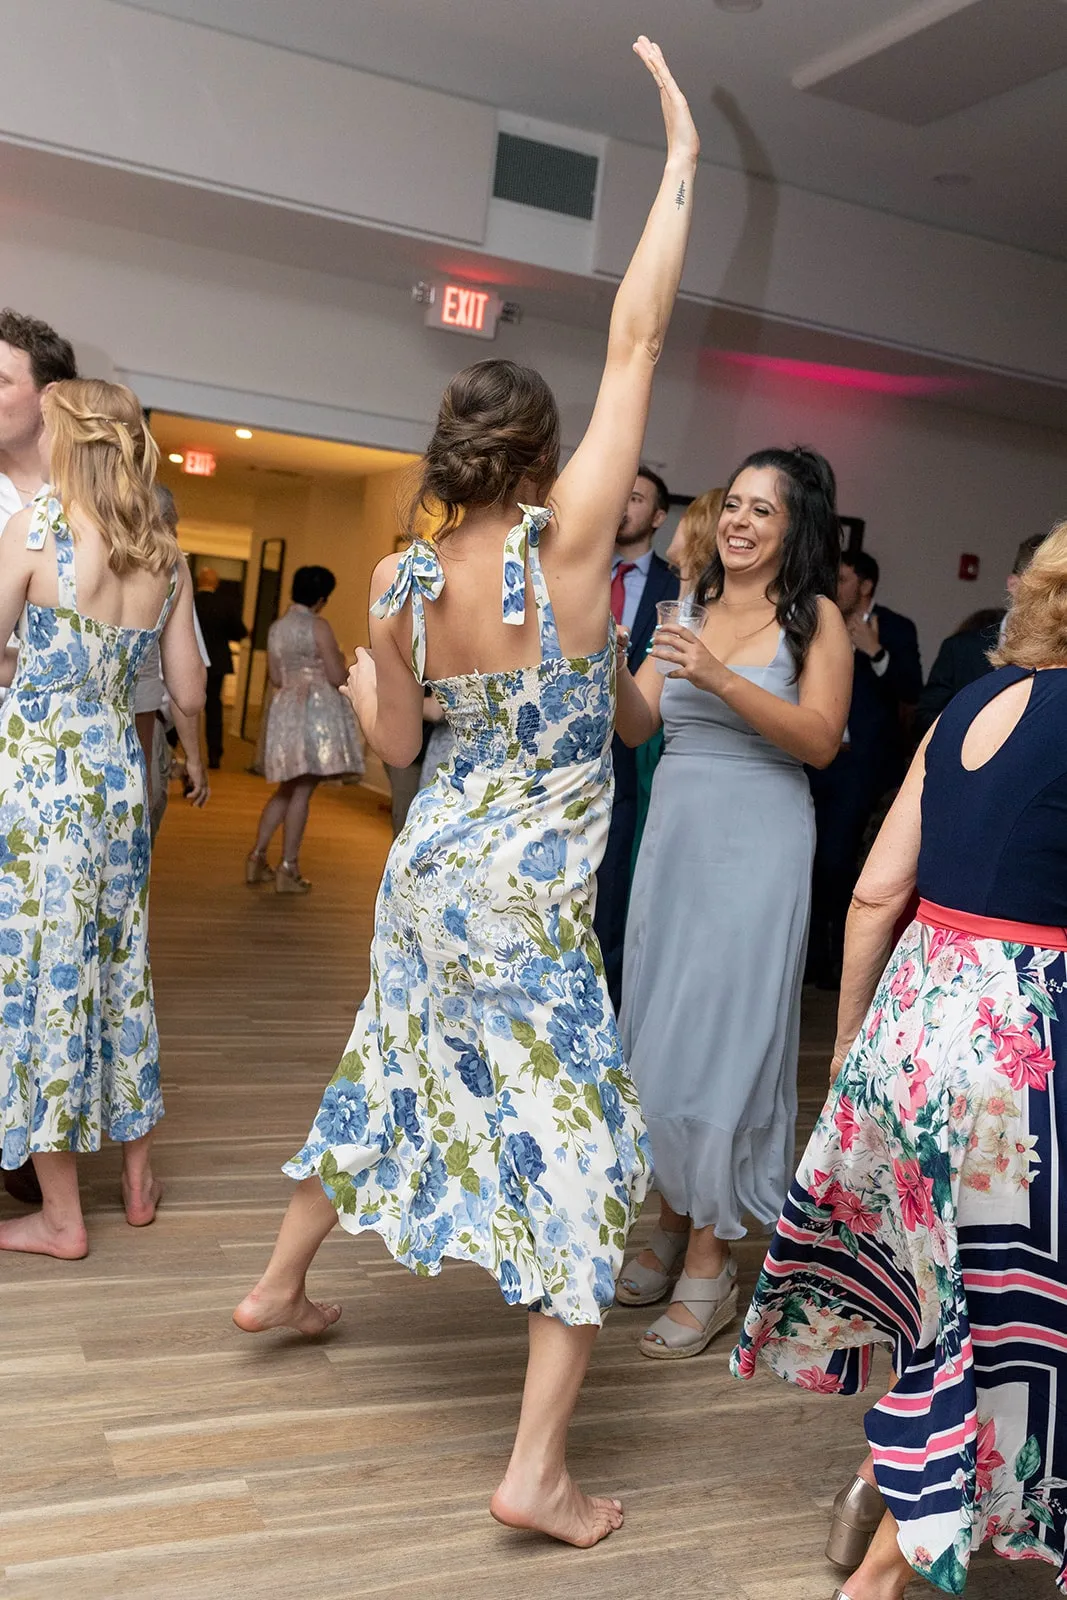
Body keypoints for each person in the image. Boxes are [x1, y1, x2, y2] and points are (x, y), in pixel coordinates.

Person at [233, 36, 697, 1549]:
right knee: (591, 1154)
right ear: (546, 461)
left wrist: (598, 704)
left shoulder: (404, 579)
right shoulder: (569, 557)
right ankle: (535, 1473)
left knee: (394, 1069)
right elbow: (633, 342)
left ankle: (280, 1283)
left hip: (427, 875)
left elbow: (399, 754)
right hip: (523, 905)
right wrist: (677, 163)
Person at [732, 519, 1067, 1599]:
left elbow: (875, 892)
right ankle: (882, 1566)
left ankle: (881, 1486)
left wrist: (846, 1061)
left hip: (910, 1032)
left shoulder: (966, 704)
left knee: (937, 1293)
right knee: (1009, 1322)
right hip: (1013, 1058)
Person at [614, 447, 852, 1358]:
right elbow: (641, 723)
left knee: (723, 1038)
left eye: (764, 511)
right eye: (736, 506)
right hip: (676, 834)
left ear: (795, 528)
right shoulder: (692, 605)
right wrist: (606, 668)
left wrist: (717, 675)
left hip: (758, 838)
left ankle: (710, 1263)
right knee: (663, 1028)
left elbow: (821, 741)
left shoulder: (814, 618)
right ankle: (669, 1221)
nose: (741, 523)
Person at [0, 379, 205, 1258]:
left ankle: (60, 1216)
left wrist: (28, 667)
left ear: (67, 440)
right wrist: (191, 757)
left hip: (41, 783)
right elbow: (187, 688)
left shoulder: (38, 529)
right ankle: (135, 1180)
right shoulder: (162, 551)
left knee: (46, 974)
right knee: (121, 967)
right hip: (119, 780)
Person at [0, 308, 78, 1208]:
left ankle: (30, 1147)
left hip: (63, 773)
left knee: (43, 955)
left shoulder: (99, 504)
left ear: (48, 397)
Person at [807, 549, 922, 988]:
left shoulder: (895, 628)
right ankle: (813, 962)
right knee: (814, 861)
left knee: (841, 863)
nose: (834, 586)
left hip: (863, 768)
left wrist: (875, 651)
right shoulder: (817, 623)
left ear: (866, 585)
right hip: (816, 759)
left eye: (842, 578)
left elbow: (913, 687)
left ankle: (839, 966)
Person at [593, 466, 679, 1010]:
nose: (624, 506)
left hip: (635, 749)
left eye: (638, 498)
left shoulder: (678, 587)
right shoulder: (579, 569)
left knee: (619, 872)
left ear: (659, 516)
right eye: (619, 495)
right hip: (566, 742)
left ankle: (612, 995)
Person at [246, 564, 363, 893]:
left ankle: (256, 858)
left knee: (286, 787)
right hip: (315, 713)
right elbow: (337, 676)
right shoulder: (319, 626)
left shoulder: (278, 628)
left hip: (285, 710)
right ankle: (288, 867)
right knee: (302, 790)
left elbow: (277, 678)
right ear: (322, 598)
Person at [915, 531, 1048, 735]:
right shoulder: (961, 649)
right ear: (1013, 585)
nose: (1050, 601)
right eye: (1041, 588)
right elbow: (924, 719)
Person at [135, 486, 210, 837]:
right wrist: (193, 758)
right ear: (164, 526)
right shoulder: (169, 578)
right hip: (142, 732)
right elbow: (188, 694)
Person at [194, 564, 247, 768]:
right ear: (215, 583)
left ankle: (172, 746)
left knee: (180, 705)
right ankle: (214, 754)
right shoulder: (225, 604)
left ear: (200, 582)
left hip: (190, 662)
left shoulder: (189, 601)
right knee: (214, 707)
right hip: (216, 663)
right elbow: (238, 632)